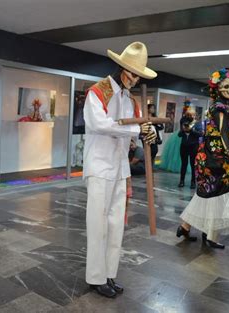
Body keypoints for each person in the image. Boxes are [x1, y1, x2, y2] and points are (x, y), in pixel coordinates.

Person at [83, 41, 157, 298]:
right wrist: (137, 128)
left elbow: (137, 128)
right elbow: (101, 124)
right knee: (98, 225)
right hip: (99, 166)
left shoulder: (131, 99)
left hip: (120, 167)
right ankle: (95, 277)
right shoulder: (98, 92)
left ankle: (109, 274)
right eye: (132, 73)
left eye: (139, 75)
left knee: (116, 225)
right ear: (121, 67)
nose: (135, 79)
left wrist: (148, 131)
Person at [176, 68, 229, 249]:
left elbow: (227, 131)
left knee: (210, 194)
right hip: (216, 156)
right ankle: (207, 233)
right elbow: (223, 132)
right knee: (217, 192)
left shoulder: (223, 107)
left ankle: (192, 228)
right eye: (226, 86)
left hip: (213, 154)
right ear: (217, 89)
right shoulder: (219, 107)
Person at [178, 108, 202, 188]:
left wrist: (191, 130)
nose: (189, 116)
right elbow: (179, 135)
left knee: (193, 165)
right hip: (184, 146)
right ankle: (181, 181)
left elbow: (201, 134)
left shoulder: (197, 123)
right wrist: (183, 130)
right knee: (183, 164)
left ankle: (193, 182)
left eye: (191, 115)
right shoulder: (183, 121)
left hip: (193, 146)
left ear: (194, 115)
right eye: (188, 115)